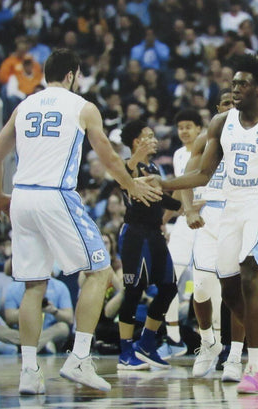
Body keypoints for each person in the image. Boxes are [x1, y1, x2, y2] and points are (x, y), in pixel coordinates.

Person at [0, 48, 162, 395]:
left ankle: (29, 372)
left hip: (21, 196)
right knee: (99, 271)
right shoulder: (82, 106)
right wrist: (131, 185)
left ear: (46, 75)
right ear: (72, 75)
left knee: (33, 285)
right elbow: (107, 155)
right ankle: (80, 358)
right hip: (55, 194)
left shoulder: (23, 106)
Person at [148, 54, 258, 393]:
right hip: (231, 206)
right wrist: (164, 184)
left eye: (242, 83)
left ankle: (254, 366)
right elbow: (203, 174)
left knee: (251, 277)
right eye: (233, 83)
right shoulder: (222, 124)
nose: (236, 88)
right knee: (229, 288)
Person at [174, 88, 245, 381]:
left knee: (236, 292)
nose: (230, 107)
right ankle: (208, 342)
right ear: (218, 107)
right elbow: (188, 177)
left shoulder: (255, 134)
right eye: (226, 103)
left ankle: (236, 357)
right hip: (210, 216)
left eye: (235, 103)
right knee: (200, 288)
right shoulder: (207, 139)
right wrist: (189, 210)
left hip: (240, 214)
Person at [116, 119, 181, 371]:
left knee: (169, 288)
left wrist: (183, 207)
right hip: (135, 234)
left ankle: (147, 342)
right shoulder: (125, 166)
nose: (154, 140)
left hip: (154, 234)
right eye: (149, 136)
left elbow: (159, 197)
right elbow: (125, 182)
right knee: (133, 291)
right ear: (137, 141)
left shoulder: (153, 166)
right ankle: (124, 352)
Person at [158, 109, 203, 359]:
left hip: (209, 219)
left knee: (206, 283)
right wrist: (163, 219)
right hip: (185, 221)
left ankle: (213, 338)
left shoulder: (210, 150)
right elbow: (178, 188)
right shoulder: (178, 154)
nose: (184, 131)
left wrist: (201, 204)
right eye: (181, 127)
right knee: (169, 278)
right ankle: (173, 338)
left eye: (189, 126)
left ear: (199, 128)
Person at [0, 266, 74, 355]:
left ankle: (19, 348)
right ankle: (41, 346)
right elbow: (10, 318)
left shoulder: (60, 287)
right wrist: (31, 309)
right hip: (21, 332)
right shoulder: (13, 288)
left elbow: (69, 319)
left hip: (48, 330)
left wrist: (54, 311)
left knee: (63, 327)